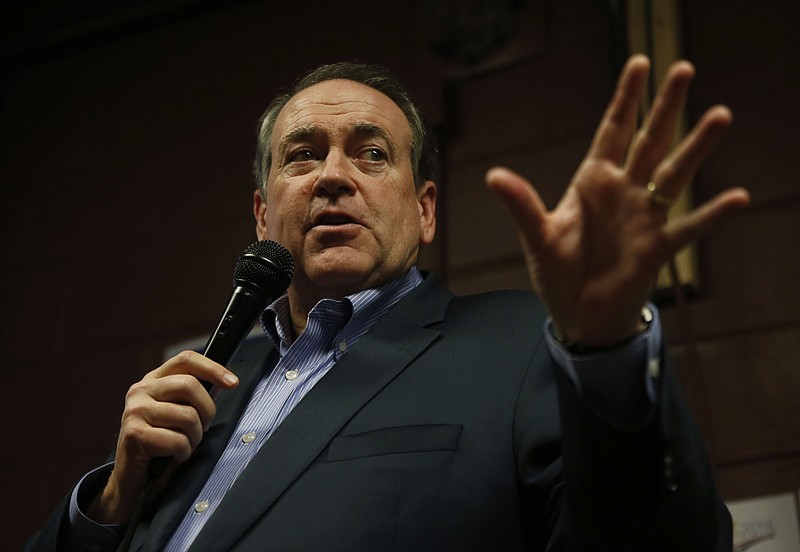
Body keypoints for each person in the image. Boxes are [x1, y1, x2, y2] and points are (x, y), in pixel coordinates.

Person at [26, 55, 749, 551]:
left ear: (425, 210)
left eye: (371, 153)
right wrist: (110, 505)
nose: (333, 176)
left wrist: (609, 354)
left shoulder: (527, 344)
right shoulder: (201, 388)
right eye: (302, 154)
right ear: (261, 214)